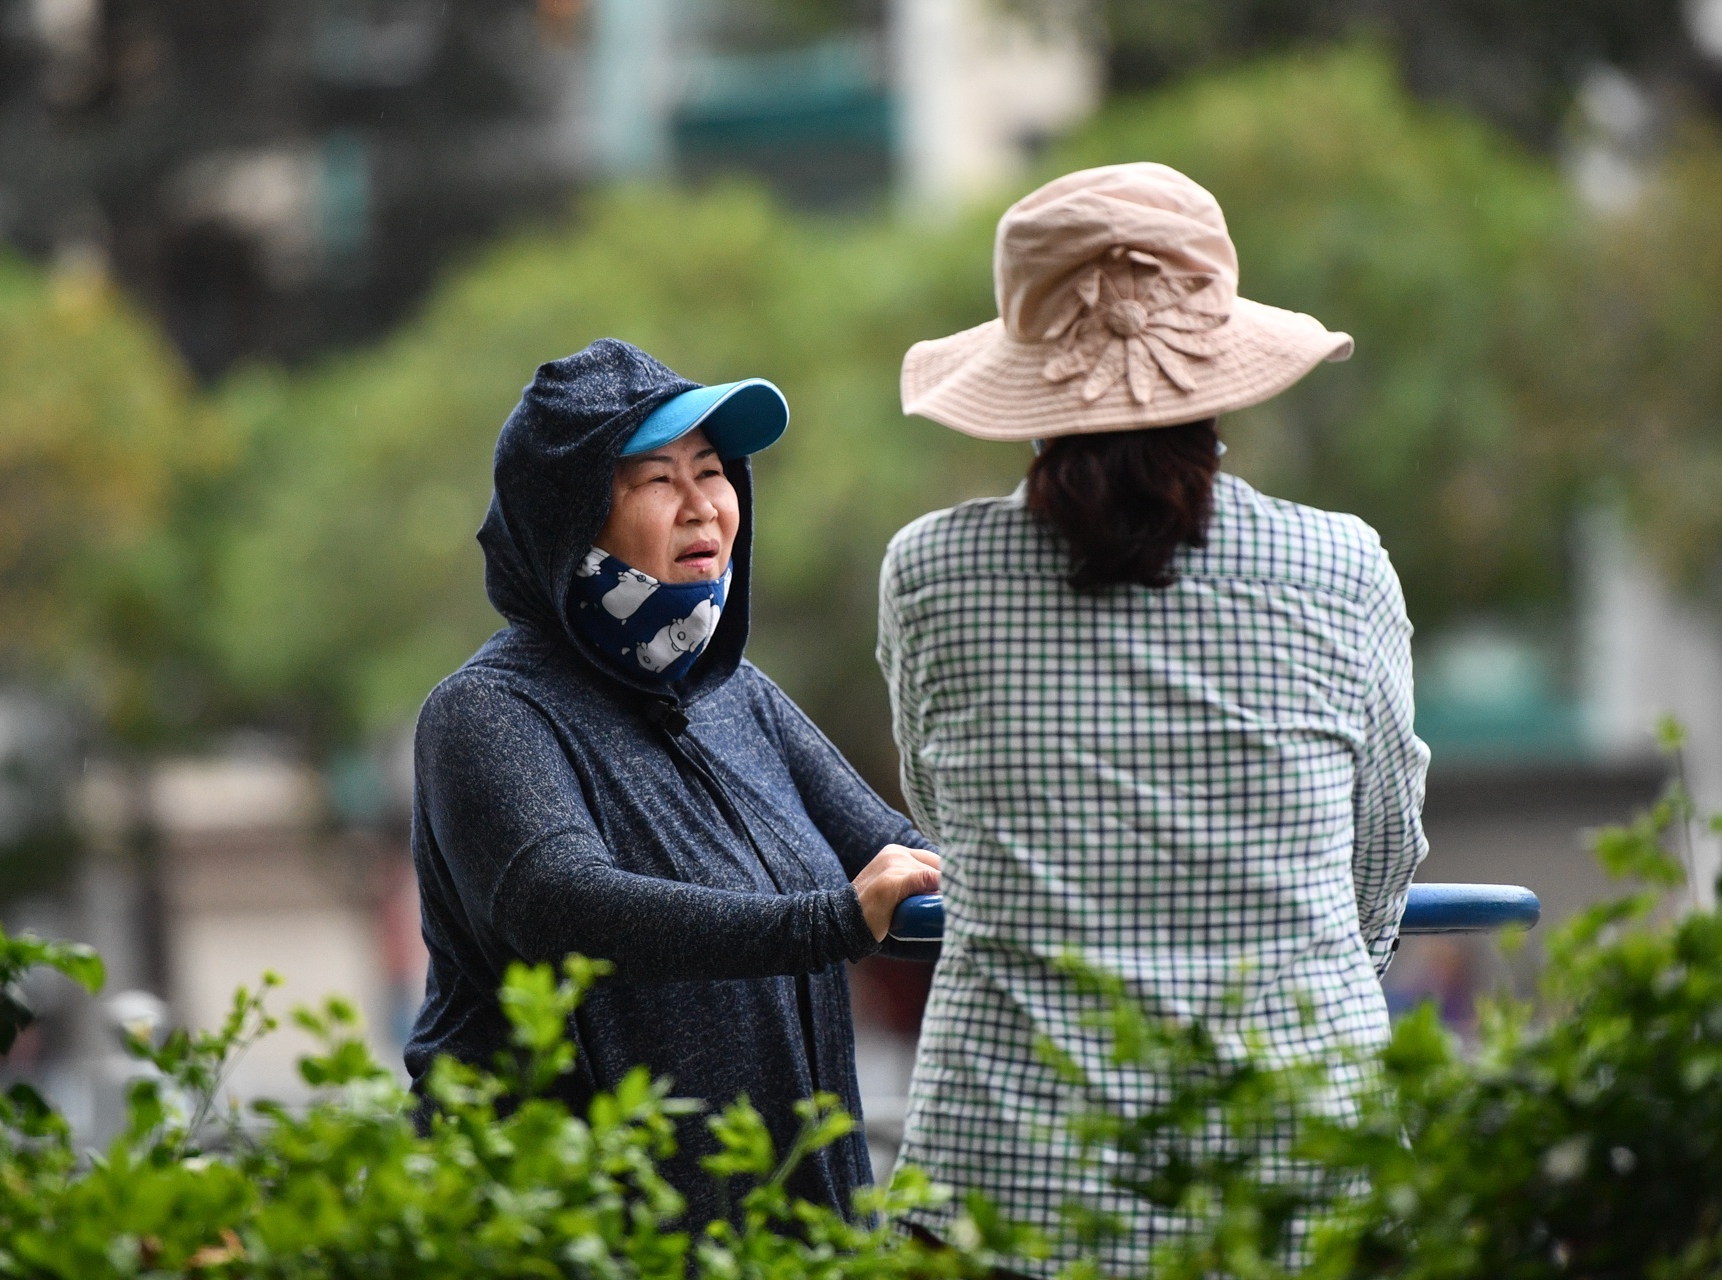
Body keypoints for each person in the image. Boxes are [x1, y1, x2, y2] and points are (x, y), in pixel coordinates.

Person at [878, 163, 1430, 1274]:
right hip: (1303, 1163)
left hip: (1011, 1177)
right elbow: (1382, 852)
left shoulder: (929, 570)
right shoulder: (1344, 563)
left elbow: (944, 814)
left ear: (1027, 375)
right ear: (1220, 372)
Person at [405, 338, 941, 1230]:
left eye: (714, 471)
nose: (704, 506)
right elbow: (563, 905)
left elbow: (896, 856)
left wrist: (1033, 890)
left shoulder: (736, 693)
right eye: (657, 480)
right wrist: (833, 921)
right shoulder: (486, 715)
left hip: (793, 1229)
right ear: (569, 520)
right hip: (582, 1234)